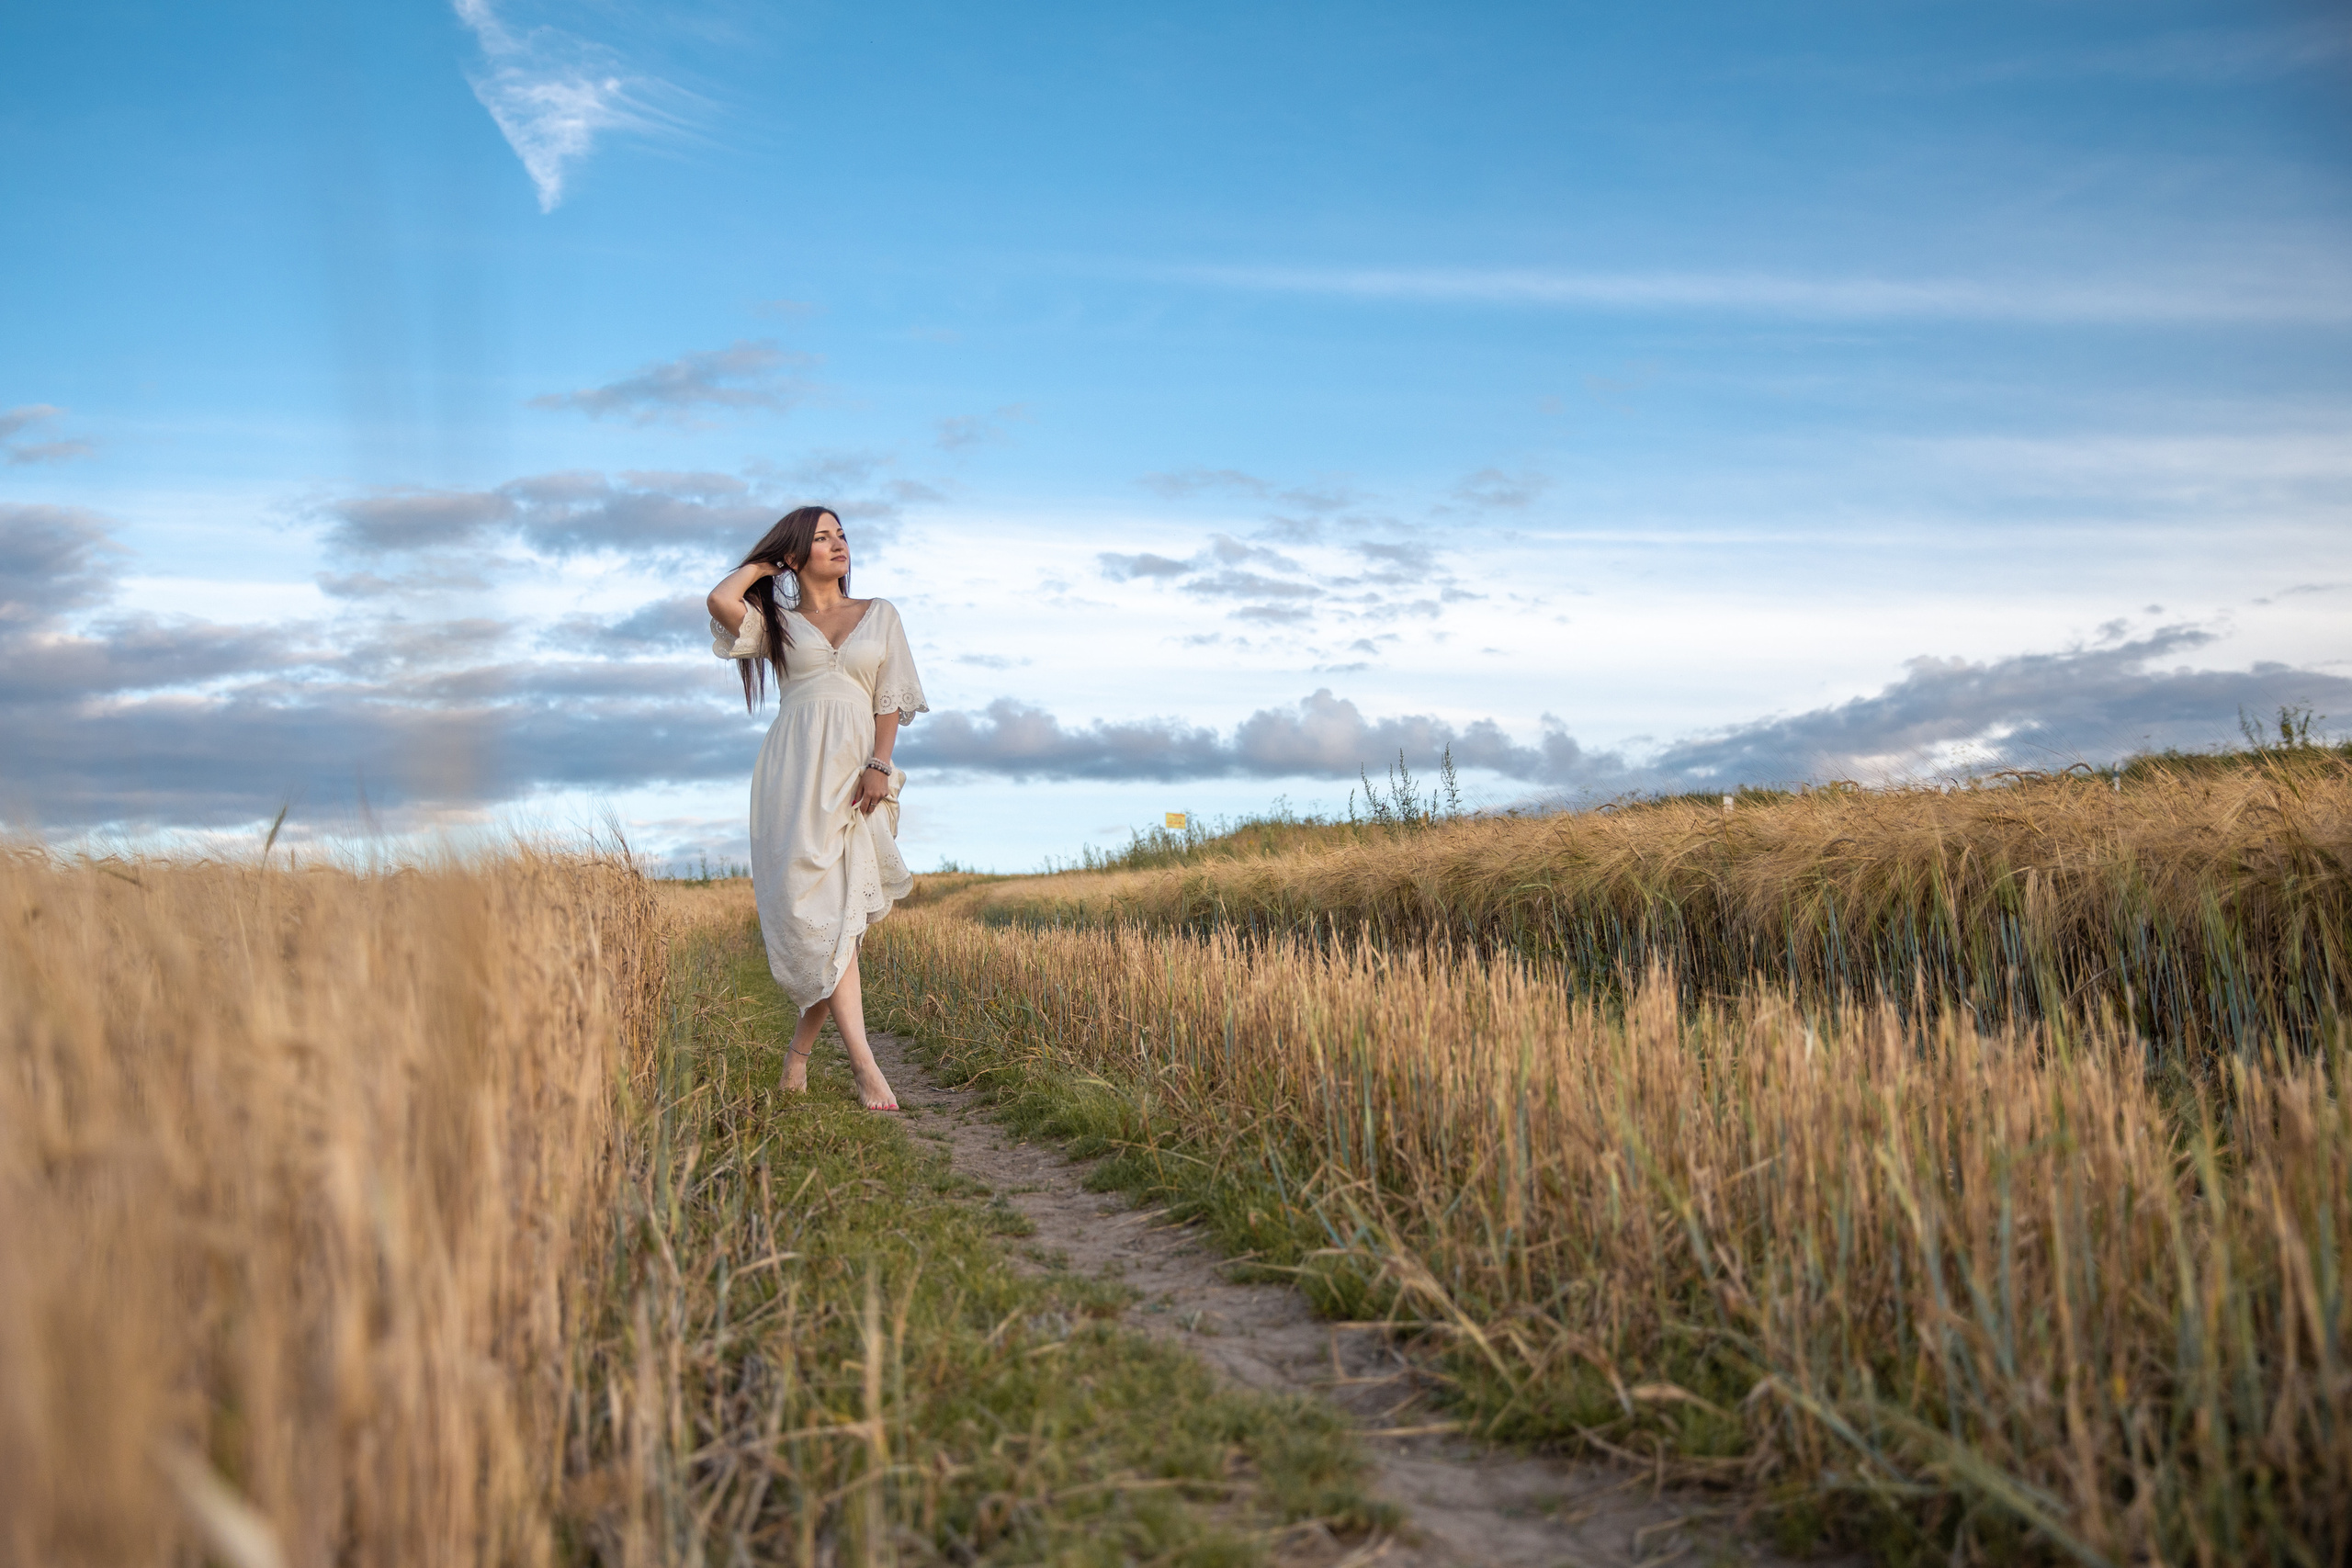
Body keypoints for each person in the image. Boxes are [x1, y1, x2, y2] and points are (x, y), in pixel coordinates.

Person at [707, 505, 927, 1109]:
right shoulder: (776, 621)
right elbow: (720, 602)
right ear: (796, 556)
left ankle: (847, 1064)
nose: (839, 544)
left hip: (855, 776)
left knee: (841, 922)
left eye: (842, 535)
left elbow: (890, 695)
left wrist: (880, 764)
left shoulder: (880, 614)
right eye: (822, 538)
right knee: (823, 921)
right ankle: (832, 1060)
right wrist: (761, 565)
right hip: (792, 778)